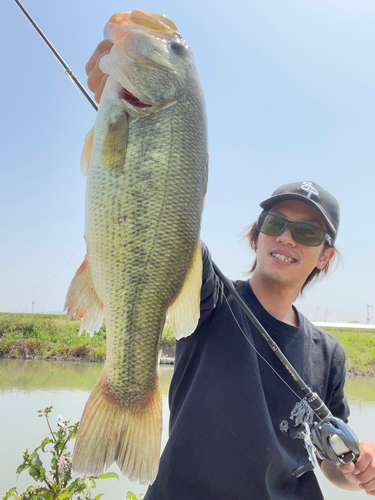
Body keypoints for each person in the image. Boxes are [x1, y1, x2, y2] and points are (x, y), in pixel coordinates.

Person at [86, 41, 375, 499]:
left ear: (325, 256)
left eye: (306, 233)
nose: (285, 238)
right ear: (255, 234)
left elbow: (328, 464)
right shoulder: (210, 299)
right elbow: (161, 227)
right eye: (276, 224)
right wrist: (125, 108)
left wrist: (358, 471)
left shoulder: (330, 354)